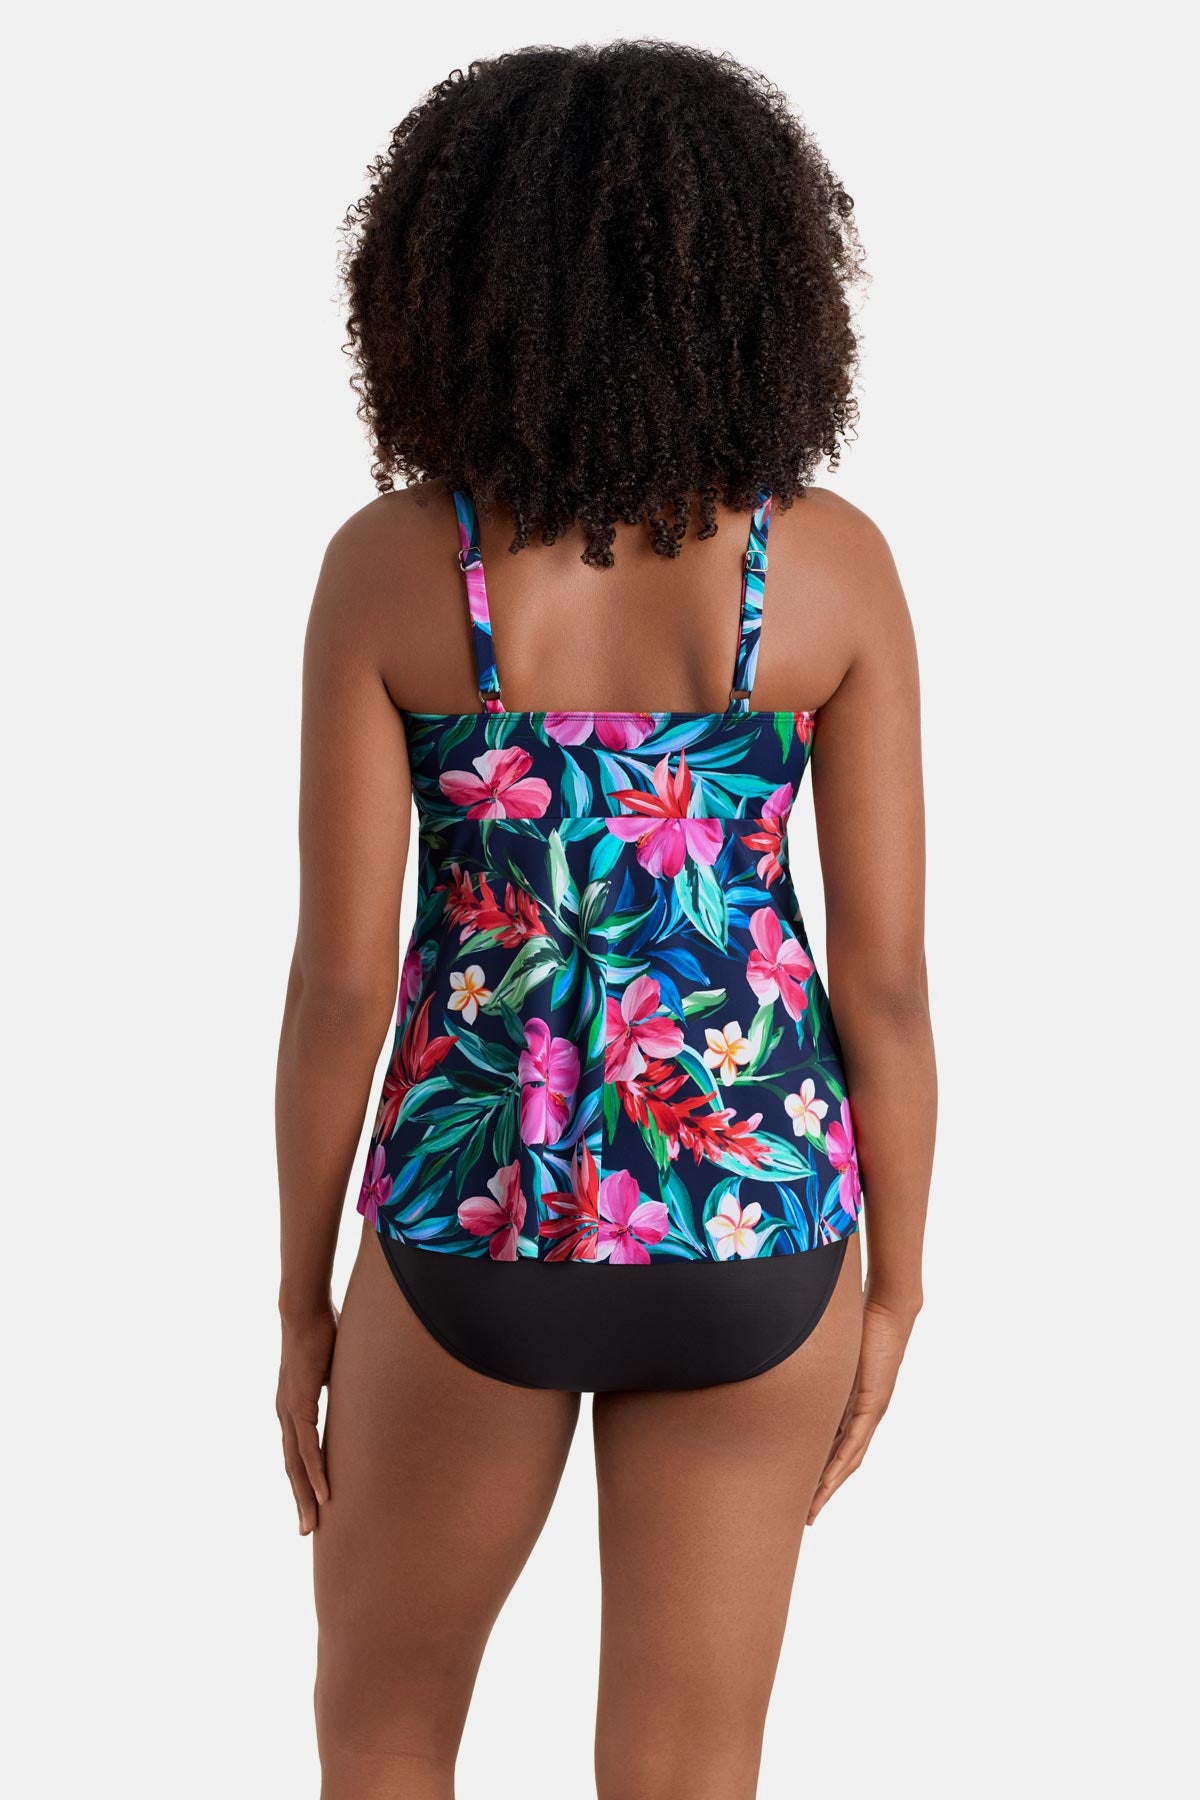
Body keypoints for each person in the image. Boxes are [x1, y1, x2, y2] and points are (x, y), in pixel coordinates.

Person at [275, 40, 936, 1800]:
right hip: (757, 1224)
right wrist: (898, 1283)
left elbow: (341, 985)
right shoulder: (829, 569)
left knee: (383, 1737)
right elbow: (884, 988)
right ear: (757, 286)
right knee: (686, 1770)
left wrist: (301, 1301)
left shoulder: (395, 568)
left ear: (449, 288)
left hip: (473, 1220)